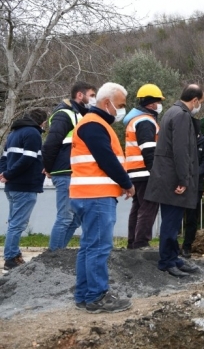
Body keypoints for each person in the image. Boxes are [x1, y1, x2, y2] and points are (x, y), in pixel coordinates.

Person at [69, 82, 134, 313]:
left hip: (88, 195)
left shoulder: (92, 123)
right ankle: (97, 298)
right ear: (107, 103)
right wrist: (127, 184)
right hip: (96, 196)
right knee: (98, 248)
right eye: (121, 105)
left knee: (89, 247)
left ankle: (85, 296)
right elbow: (107, 160)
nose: (122, 109)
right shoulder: (95, 124)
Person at [145, 84, 204, 277]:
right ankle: (167, 261)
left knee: (173, 220)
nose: (199, 106)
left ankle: (173, 257)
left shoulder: (172, 111)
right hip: (172, 177)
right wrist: (183, 179)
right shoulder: (182, 115)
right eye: (200, 102)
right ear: (194, 100)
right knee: (171, 222)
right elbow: (181, 150)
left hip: (166, 175)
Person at [43, 81, 96, 251]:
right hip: (64, 171)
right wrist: (49, 168)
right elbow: (51, 143)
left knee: (75, 219)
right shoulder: (64, 114)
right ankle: (52, 258)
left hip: (74, 172)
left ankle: (58, 254)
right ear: (80, 95)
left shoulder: (80, 115)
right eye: (92, 95)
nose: (94, 99)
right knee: (65, 217)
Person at [1, 109, 48, 271]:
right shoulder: (33, 134)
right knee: (18, 223)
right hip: (25, 185)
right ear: (42, 122)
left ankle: (14, 254)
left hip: (12, 185)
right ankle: (11, 258)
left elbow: (4, 157)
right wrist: (8, 174)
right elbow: (28, 159)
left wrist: (5, 174)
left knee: (14, 221)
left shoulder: (14, 134)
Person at [123, 84, 165, 250]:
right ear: (152, 104)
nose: (160, 105)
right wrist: (155, 172)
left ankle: (133, 242)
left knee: (138, 207)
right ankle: (141, 243)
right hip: (144, 172)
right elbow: (148, 149)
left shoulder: (135, 120)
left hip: (134, 172)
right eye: (158, 101)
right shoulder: (146, 121)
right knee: (148, 207)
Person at [181, 117, 204, 258]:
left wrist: (192, 177)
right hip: (180, 183)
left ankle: (187, 246)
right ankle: (171, 244)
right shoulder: (182, 141)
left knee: (192, 217)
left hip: (196, 185)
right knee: (176, 215)